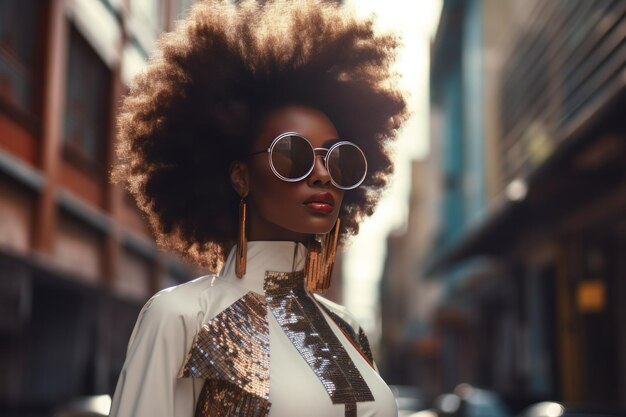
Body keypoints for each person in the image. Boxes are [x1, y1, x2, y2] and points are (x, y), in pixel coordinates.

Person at [109, 1, 407, 416]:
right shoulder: (181, 317)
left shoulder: (346, 327)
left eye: (338, 160)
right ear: (240, 176)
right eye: (293, 156)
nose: (322, 174)